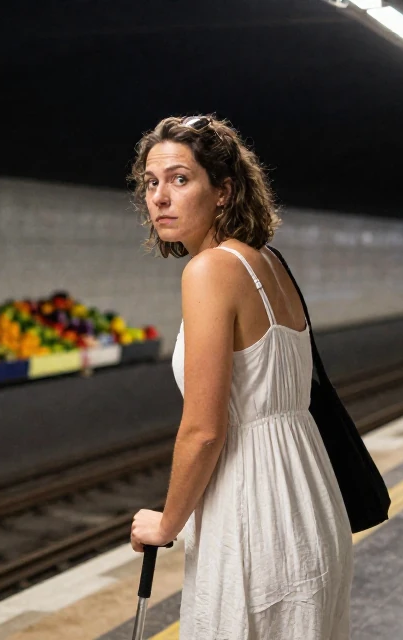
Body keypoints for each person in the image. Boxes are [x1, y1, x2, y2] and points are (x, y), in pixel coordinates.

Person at [127, 115, 352, 639]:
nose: (160, 197)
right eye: (151, 182)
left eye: (180, 179)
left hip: (254, 512)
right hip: (311, 500)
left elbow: (205, 429)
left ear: (223, 190)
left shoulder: (208, 271)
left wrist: (167, 524)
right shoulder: (268, 262)